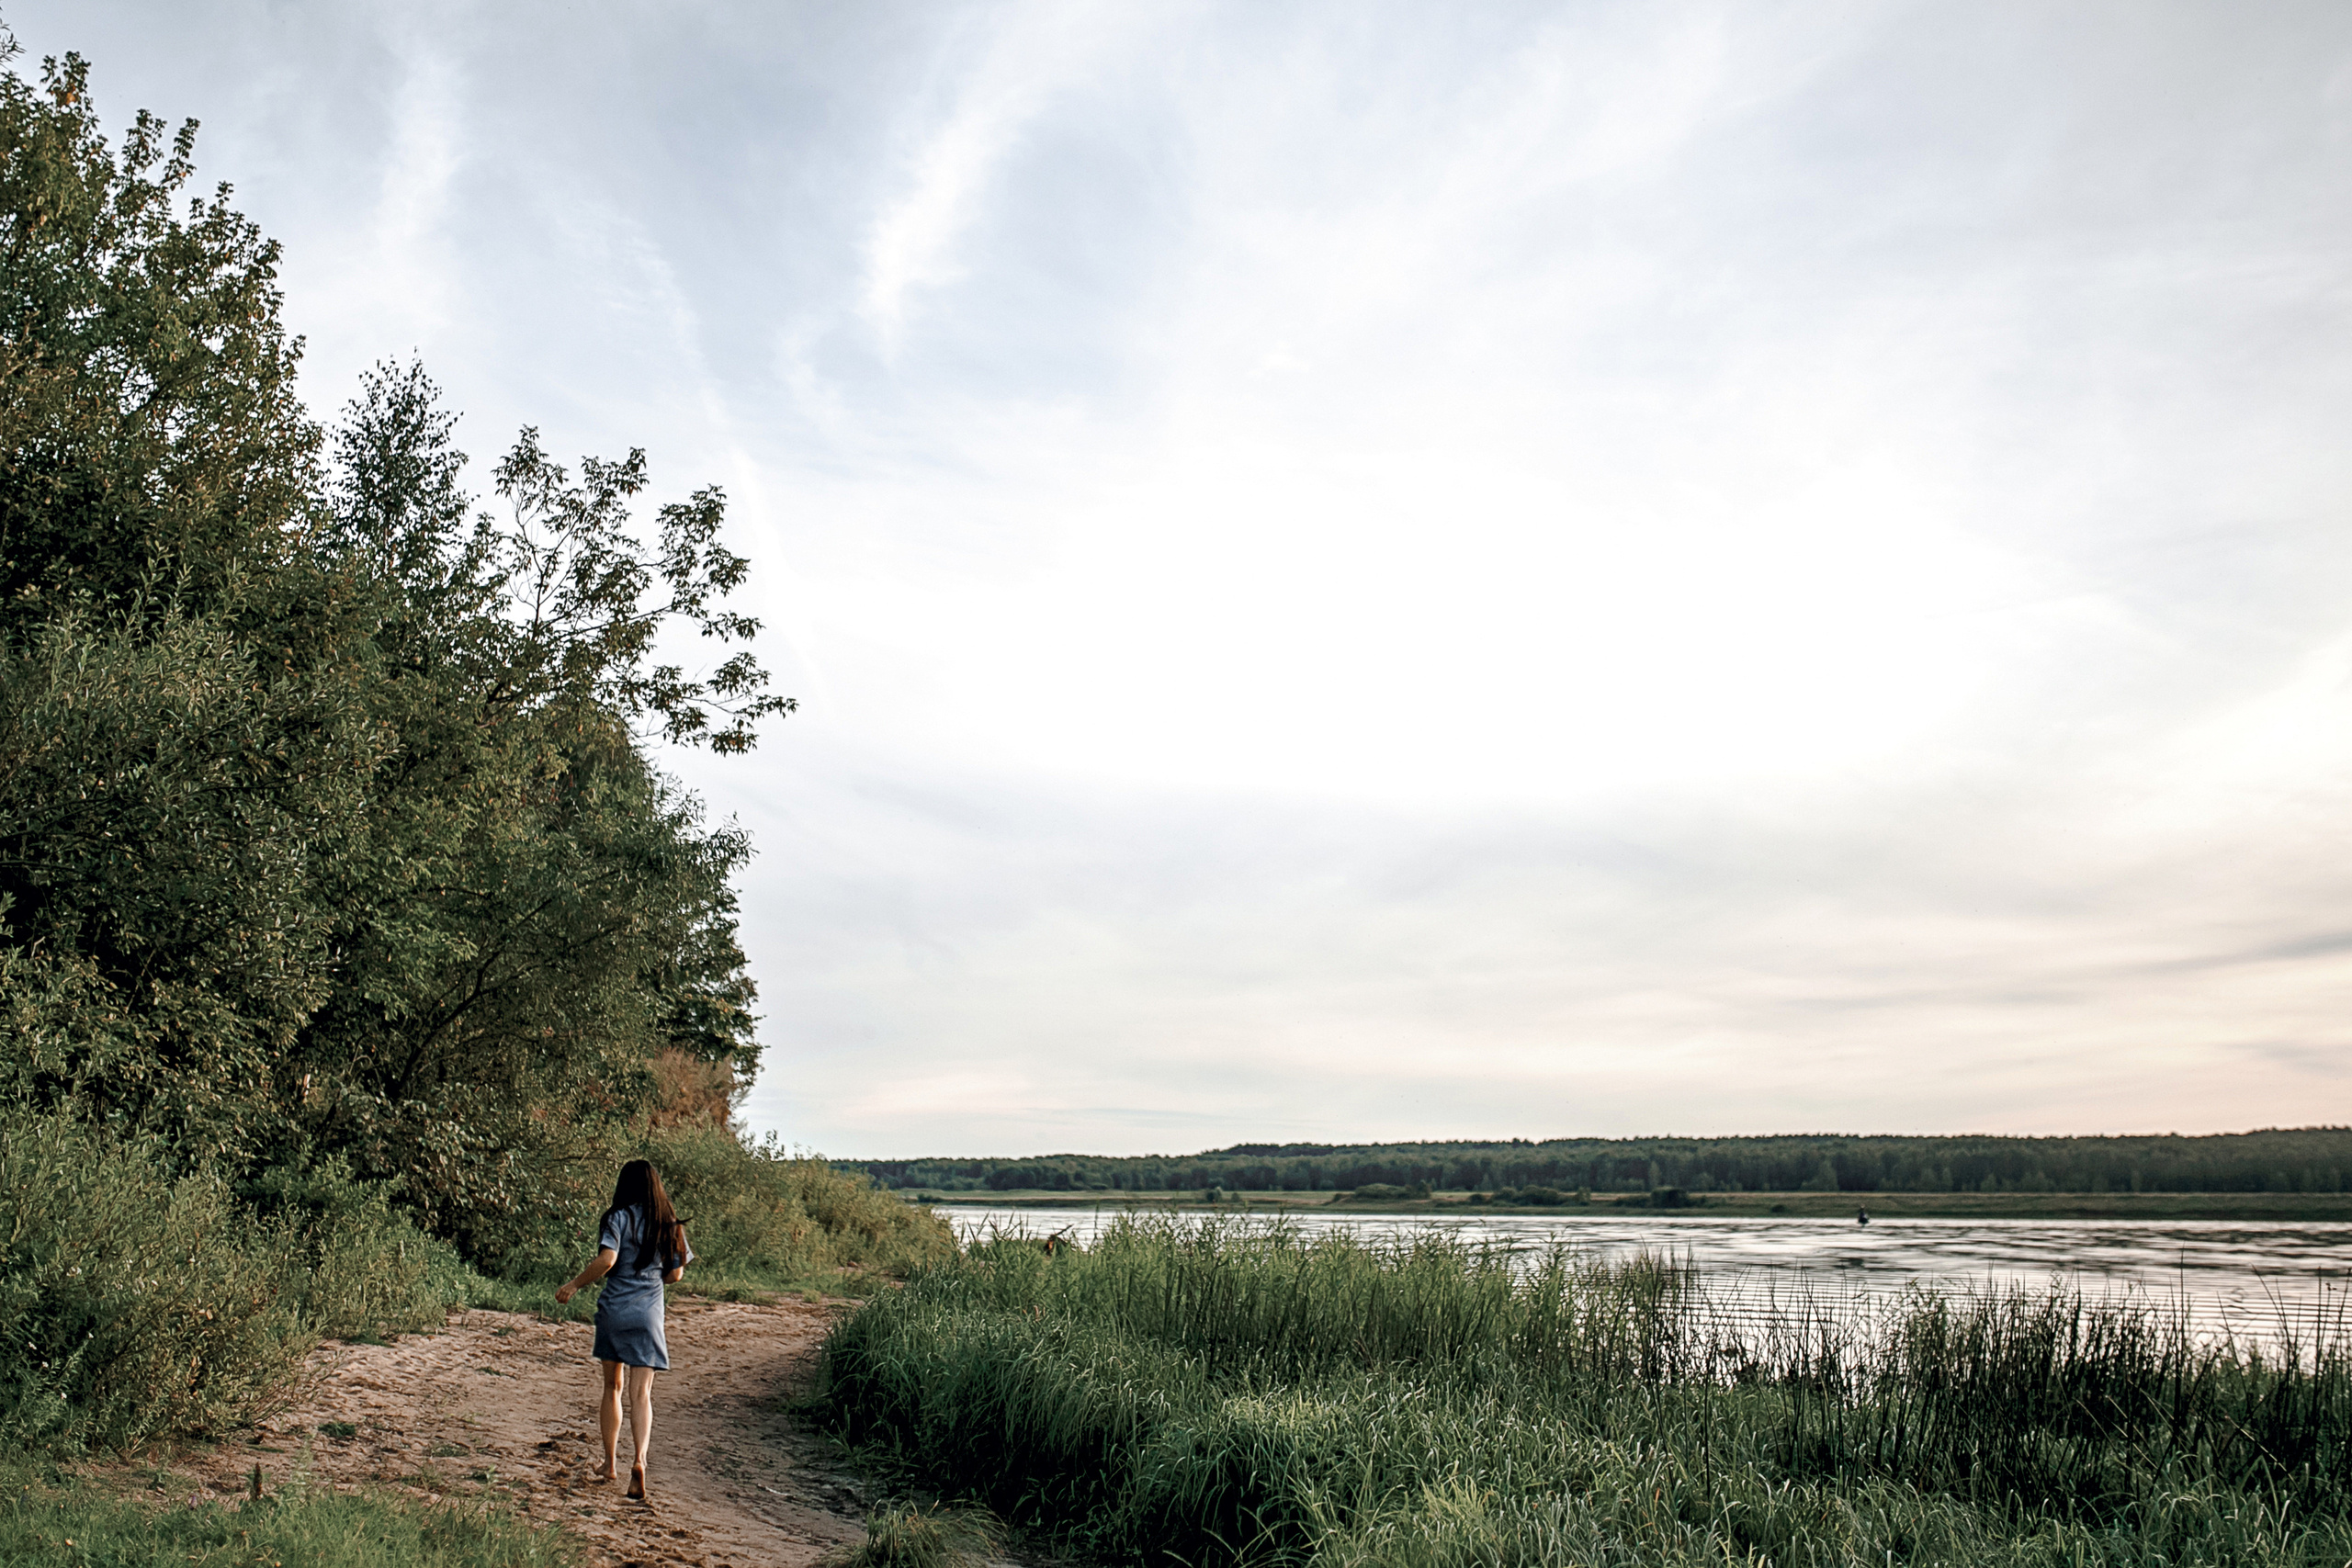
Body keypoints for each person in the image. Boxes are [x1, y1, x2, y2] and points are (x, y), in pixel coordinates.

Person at [555, 1159, 693, 1500]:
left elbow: (607, 1260)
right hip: (648, 1315)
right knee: (641, 1394)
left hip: (615, 1310)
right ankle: (640, 1461)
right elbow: (676, 1275)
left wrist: (573, 1285)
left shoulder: (617, 1217)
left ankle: (609, 1463)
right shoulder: (669, 1223)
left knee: (612, 1387)